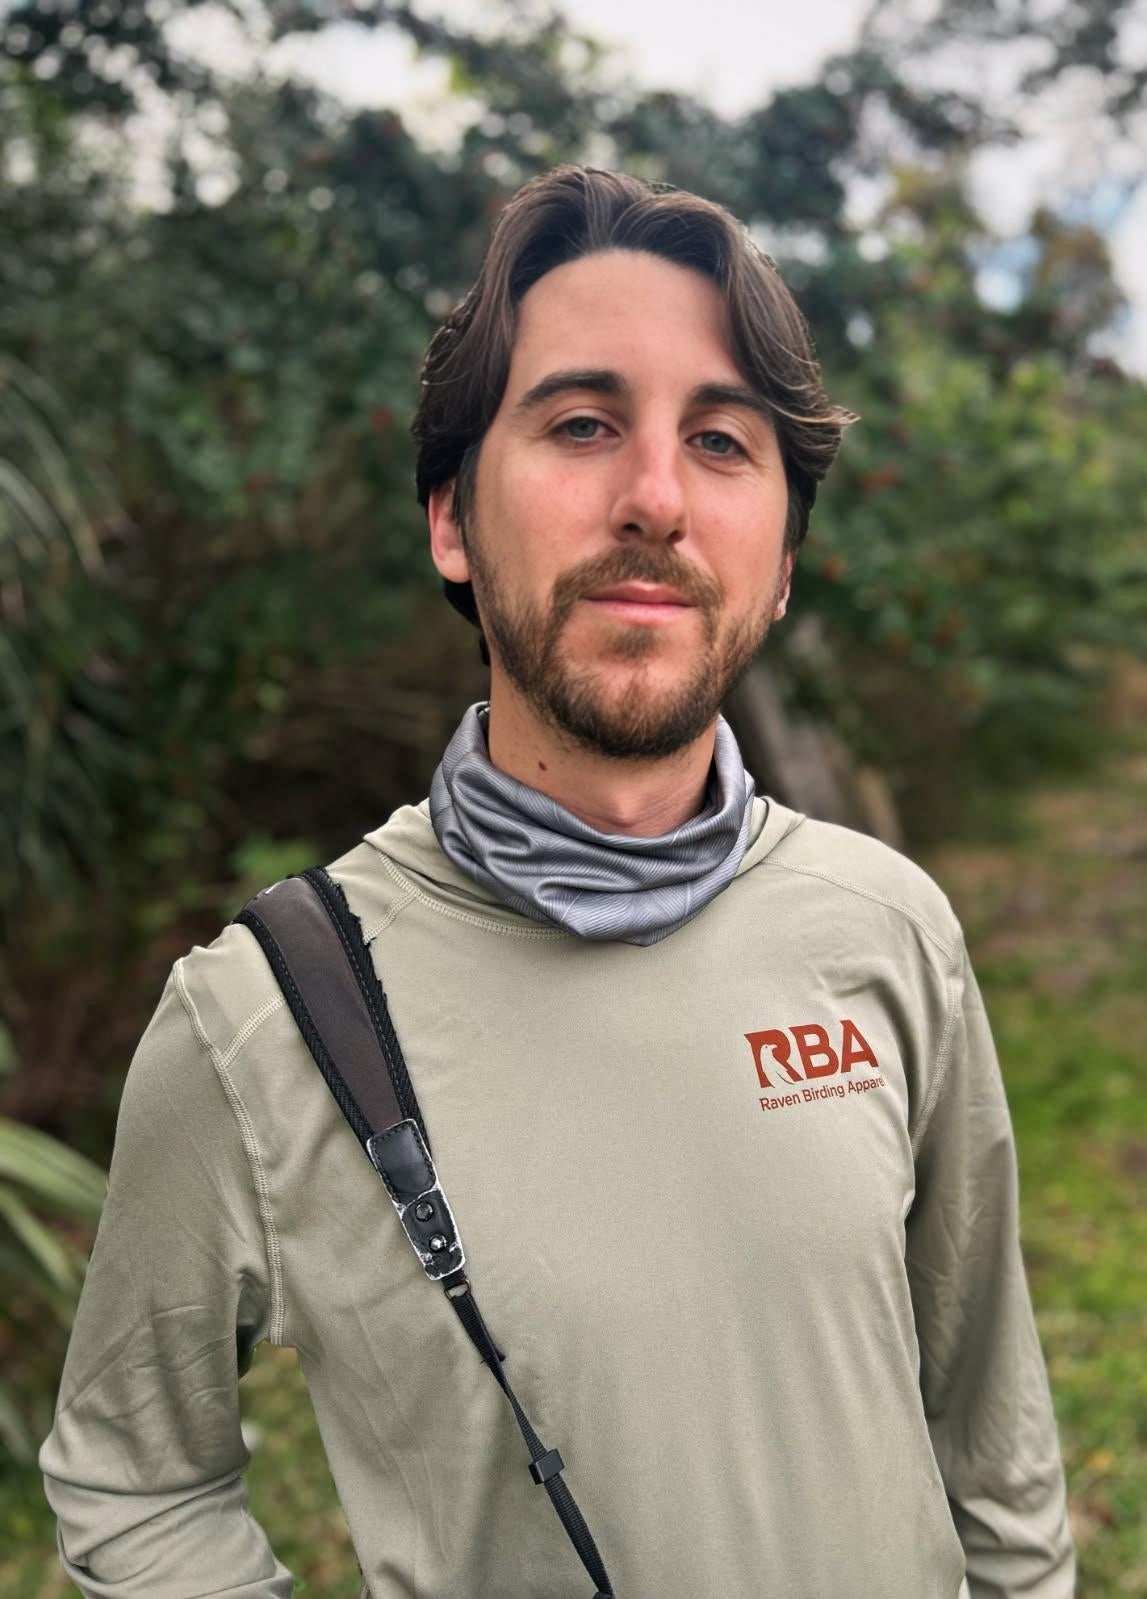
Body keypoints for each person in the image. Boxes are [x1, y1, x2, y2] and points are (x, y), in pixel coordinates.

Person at [41, 165, 1075, 1599]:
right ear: (453, 520)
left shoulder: (890, 927)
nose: (654, 497)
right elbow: (133, 1478)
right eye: (583, 425)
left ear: (780, 564)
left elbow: (993, 1429)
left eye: (724, 443)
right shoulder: (259, 1020)